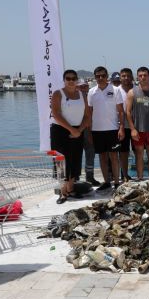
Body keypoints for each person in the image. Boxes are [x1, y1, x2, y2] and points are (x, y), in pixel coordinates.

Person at [50, 69, 88, 204]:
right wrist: (71, 129)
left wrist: (79, 130)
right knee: (61, 162)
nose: (71, 81)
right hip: (60, 131)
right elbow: (56, 115)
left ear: (76, 79)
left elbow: (87, 116)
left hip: (78, 130)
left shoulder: (83, 95)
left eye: (73, 78)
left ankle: (71, 189)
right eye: (68, 78)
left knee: (75, 159)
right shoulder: (57, 94)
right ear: (64, 80)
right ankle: (62, 192)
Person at [87, 66, 125, 190]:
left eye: (103, 75)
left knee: (114, 156)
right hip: (97, 131)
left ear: (107, 76)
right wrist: (89, 132)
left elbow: (120, 111)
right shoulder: (91, 92)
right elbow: (90, 113)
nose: (100, 78)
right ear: (95, 77)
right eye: (98, 76)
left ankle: (117, 183)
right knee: (102, 157)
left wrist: (121, 128)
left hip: (113, 129)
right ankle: (107, 182)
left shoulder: (115, 90)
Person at [126, 67, 149, 184]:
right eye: (140, 75)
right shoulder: (132, 92)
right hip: (138, 129)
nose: (143, 77)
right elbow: (128, 112)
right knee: (139, 154)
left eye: (145, 75)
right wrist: (132, 129)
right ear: (137, 77)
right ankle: (140, 179)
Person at [78, 79, 100, 186]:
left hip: (89, 130)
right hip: (77, 129)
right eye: (80, 87)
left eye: (85, 87)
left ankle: (89, 176)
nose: (83, 89)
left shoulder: (91, 97)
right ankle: (75, 177)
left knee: (90, 153)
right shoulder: (73, 98)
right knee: (76, 154)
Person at [117, 68, 134, 181]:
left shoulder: (137, 90)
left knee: (138, 151)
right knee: (123, 151)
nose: (126, 78)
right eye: (123, 76)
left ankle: (139, 175)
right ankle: (124, 175)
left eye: (128, 76)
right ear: (120, 77)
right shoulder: (115, 90)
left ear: (132, 77)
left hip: (136, 125)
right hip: (121, 126)